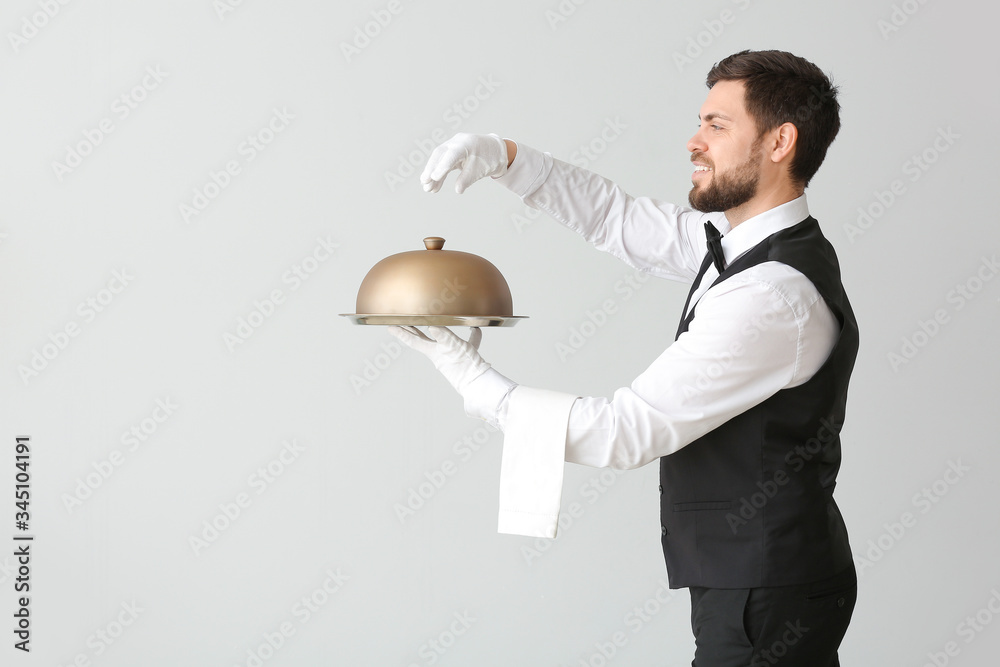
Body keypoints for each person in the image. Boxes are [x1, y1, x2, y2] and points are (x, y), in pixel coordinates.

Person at [389, 49, 858, 666]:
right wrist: (506, 157)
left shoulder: (770, 295)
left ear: (779, 142)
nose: (694, 141)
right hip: (763, 579)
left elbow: (622, 432)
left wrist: (471, 378)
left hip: (766, 592)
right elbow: (619, 219)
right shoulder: (747, 247)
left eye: (717, 125)